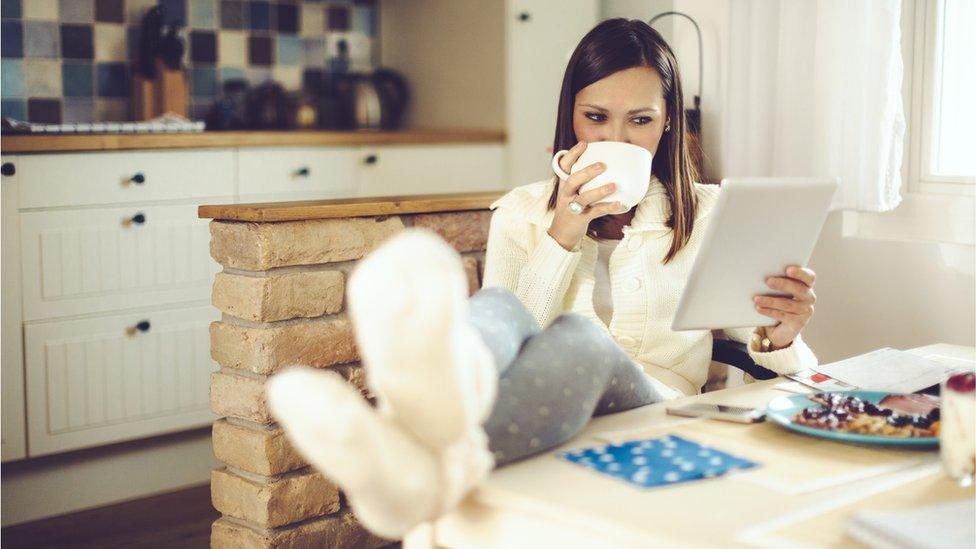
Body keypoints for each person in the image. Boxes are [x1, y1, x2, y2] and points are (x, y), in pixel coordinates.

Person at [266, 18, 819, 539]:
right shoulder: (521, 213)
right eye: (596, 118)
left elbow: (783, 377)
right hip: (548, 407)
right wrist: (561, 234)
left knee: (581, 341)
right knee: (498, 307)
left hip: (658, 407)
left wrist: (783, 335)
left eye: (641, 120)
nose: (619, 140)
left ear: (669, 119)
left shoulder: (709, 213)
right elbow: (515, 332)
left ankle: (414, 462)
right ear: (570, 118)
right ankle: (416, 442)